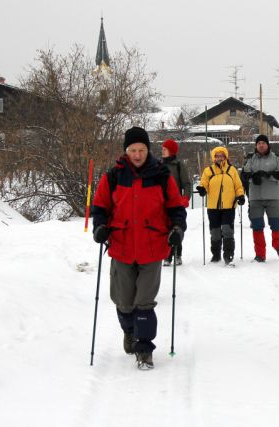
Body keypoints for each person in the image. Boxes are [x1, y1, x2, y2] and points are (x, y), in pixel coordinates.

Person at [91, 126, 187, 370]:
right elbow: (100, 206)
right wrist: (100, 226)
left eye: (141, 149)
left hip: (152, 247)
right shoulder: (114, 176)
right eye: (133, 150)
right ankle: (129, 331)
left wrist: (177, 228)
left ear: (148, 150)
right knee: (123, 302)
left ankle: (144, 349)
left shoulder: (161, 175)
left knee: (144, 302)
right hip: (121, 247)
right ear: (126, 151)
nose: (137, 154)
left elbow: (176, 207)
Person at [241, 134, 279, 262]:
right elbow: (244, 174)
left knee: (277, 224)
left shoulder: (276, 157)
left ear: (268, 145)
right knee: (257, 226)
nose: (261, 145)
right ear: (256, 146)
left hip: (273, 197)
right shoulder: (251, 159)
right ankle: (260, 254)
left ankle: (277, 245)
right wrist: (252, 176)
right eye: (259, 143)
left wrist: (269, 175)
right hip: (255, 198)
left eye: (263, 143)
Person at [196, 146, 245, 265]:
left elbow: (238, 186)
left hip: (229, 206)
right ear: (214, 157)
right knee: (215, 232)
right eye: (217, 156)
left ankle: (228, 254)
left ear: (225, 157)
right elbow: (204, 183)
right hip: (213, 207)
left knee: (228, 231)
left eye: (221, 156)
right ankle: (216, 254)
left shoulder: (231, 170)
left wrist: (240, 195)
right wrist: (202, 189)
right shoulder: (208, 171)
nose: (219, 158)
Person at [161, 139, 192, 267]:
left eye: (165, 149)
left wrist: (185, 197)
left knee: (176, 227)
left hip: (176, 202)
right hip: (162, 203)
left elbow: (186, 183)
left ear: (171, 151)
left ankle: (178, 254)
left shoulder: (178, 165)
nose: (162, 151)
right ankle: (167, 255)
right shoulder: (159, 165)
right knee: (164, 228)